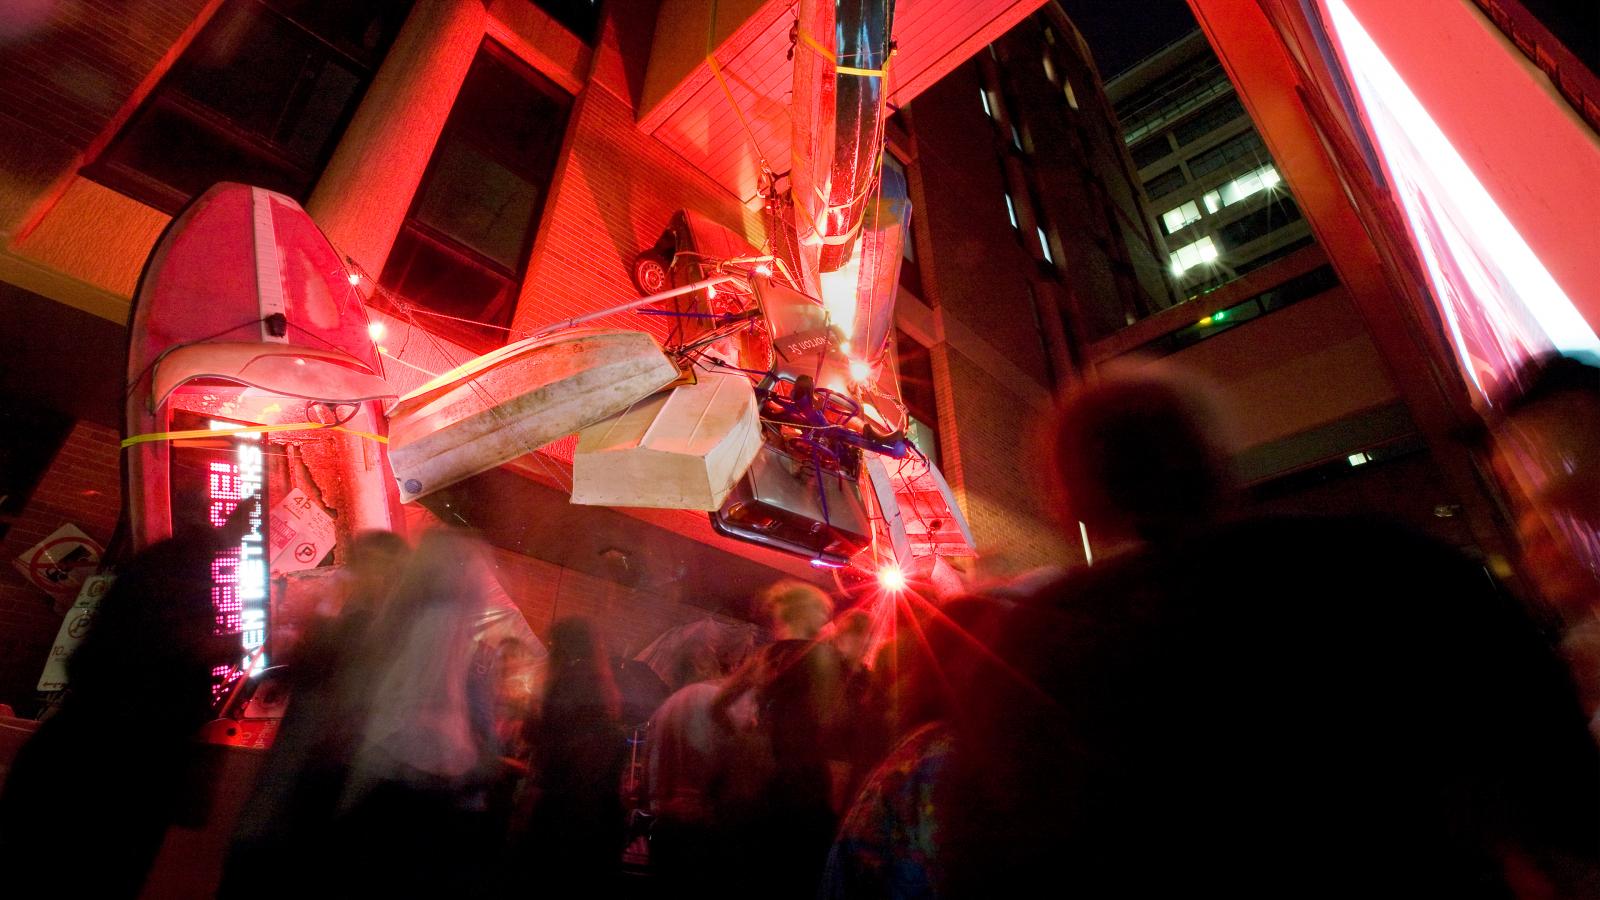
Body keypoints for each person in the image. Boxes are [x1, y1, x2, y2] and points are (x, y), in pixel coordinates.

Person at [940, 364, 1600, 898]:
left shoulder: (1022, 657)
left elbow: (978, 861)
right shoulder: (1384, 569)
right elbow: (1559, 786)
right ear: (1215, 460)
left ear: (1069, 498)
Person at [0, 518, 245, 897]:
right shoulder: (123, 737)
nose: (212, 627)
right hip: (96, 792)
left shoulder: (106, 710)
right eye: (201, 614)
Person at [218, 530, 409, 899]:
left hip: (311, 769)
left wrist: (322, 615)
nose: (370, 576)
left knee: (268, 855)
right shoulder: (370, 624)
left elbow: (323, 665)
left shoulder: (365, 625)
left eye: (375, 567)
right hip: (309, 770)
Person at [331, 528, 497, 897]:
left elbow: (377, 692)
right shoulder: (461, 628)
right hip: (442, 768)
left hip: (395, 760)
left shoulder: (409, 621)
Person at [711, 580, 848, 899]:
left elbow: (717, 707)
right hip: (804, 781)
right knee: (799, 877)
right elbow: (834, 720)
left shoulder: (764, 657)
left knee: (756, 874)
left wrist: (747, 736)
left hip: (761, 779)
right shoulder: (823, 658)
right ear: (810, 615)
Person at [518, 616, 628, 897]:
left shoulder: (567, 682)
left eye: (552, 643)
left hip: (562, 815)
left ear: (563, 645)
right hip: (596, 818)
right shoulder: (601, 685)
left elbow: (545, 739)